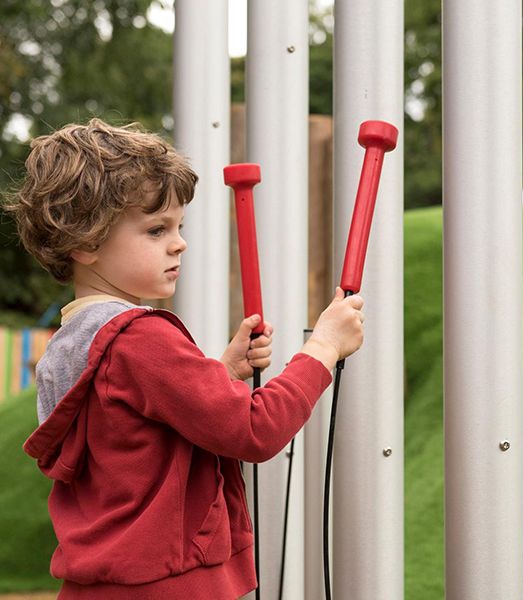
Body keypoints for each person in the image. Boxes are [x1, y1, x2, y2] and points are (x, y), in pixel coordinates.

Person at [2, 118, 365, 599]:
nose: (179, 242)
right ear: (86, 242)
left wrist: (220, 373)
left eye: (179, 226)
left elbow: (140, 438)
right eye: (156, 229)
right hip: (172, 585)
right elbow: (254, 431)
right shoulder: (140, 338)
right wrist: (323, 347)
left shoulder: (72, 345)